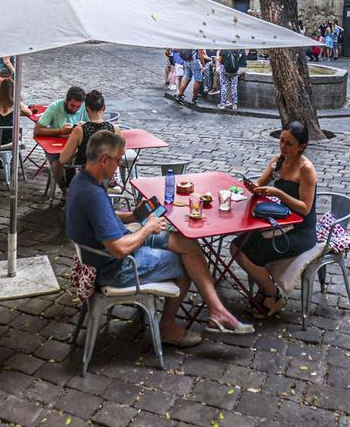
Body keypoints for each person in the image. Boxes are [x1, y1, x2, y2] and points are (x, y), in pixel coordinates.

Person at [66, 130, 254, 345]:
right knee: (184, 263)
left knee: (186, 242)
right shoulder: (93, 195)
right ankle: (167, 327)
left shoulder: (82, 180)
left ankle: (217, 310)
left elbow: (102, 217)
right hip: (116, 267)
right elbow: (118, 248)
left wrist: (134, 216)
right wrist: (147, 228)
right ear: (104, 160)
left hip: (110, 248)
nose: (119, 166)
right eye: (118, 160)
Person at [231, 121, 319, 317]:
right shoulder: (278, 160)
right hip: (278, 223)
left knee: (253, 253)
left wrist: (278, 193)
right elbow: (260, 184)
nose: (283, 147)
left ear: (301, 147)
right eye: (281, 141)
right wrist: (252, 187)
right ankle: (266, 289)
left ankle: (273, 295)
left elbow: (305, 209)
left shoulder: (306, 169)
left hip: (300, 231)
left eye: (289, 144)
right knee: (237, 246)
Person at [34, 86, 87, 189]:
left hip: (76, 147)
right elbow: (37, 130)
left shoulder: (85, 107)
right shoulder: (54, 107)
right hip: (56, 148)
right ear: (66, 100)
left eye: (78, 107)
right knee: (57, 165)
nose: (75, 109)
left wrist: (83, 126)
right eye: (72, 105)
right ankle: (65, 192)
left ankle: (82, 192)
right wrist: (60, 131)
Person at [59, 90, 117, 180]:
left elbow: (63, 159)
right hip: (108, 177)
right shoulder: (115, 129)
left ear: (86, 109)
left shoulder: (80, 130)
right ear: (104, 108)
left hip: (84, 178)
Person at [0, 78, 29, 174]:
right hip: (10, 140)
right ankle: (11, 164)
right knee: (13, 133)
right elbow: (28, 112)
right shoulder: (17, 105)